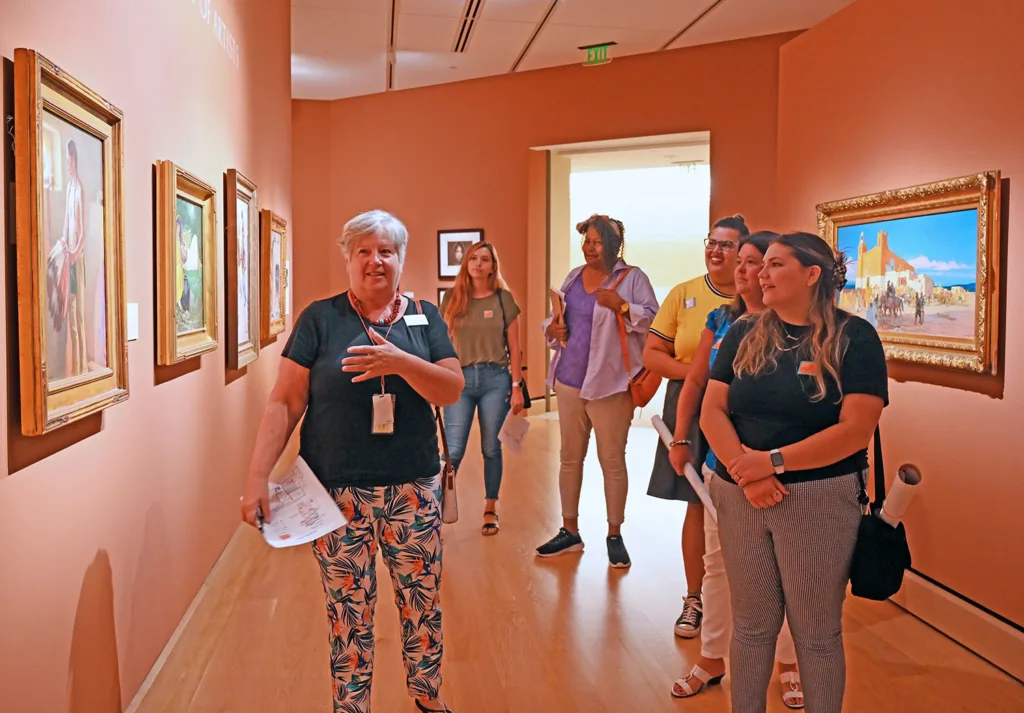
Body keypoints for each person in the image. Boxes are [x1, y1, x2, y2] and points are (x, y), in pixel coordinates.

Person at [241, 210, 465, 713]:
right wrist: (257, 476)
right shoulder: (320, 319)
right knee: (348, 614)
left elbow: (451, 389)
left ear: (402, 259)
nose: (375, 261)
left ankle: (427, 700)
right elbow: (284, 401)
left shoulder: (424, 317)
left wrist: (400, 362)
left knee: (421, 605)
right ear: (348, 259)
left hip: (412, 491)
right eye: (363, 251)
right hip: (336, 497)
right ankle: (351, 707)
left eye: (386, 250)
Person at [700, 232, 888, 713]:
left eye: (775, 264)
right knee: (753, 628)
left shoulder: (855, 338)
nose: (761, 273)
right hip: (741, 494)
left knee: (816, 633)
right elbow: (713, 412)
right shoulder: (744, 332)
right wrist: (749, 474)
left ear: (812, 275)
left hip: (818, 499)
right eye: (762, 264)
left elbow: (855, 430)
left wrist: (772, 463)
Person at [668, 231, 803, 709]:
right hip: (722, 465)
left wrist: (765, 463)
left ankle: (788, 665)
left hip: (780, 468)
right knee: (719, 564)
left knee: (787, 570)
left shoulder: (790, 324)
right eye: (742, 262)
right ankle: (712, 657)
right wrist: (682, 438)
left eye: (755, 262)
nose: (745, 270)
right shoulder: (720, 319)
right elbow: (698, 384)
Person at [643, 214, 748, 638]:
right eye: (712, 242)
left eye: (727, 245)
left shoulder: (757, 306)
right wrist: (695, 375)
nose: (716, 251)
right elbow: (652, 355)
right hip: (689, 404)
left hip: (740, 410)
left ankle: (745, 599)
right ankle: (694, 598)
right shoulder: (685, 294)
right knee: (696, 502)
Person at [536, 214, 659, 568]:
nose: (589, 248)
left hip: (611, 385)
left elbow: (652, 320)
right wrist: (554, 329)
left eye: (596, 242)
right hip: (570, 379)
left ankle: (614, 533)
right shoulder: (574, 277)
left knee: (612, 461)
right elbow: (558, 318)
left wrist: (620, 306)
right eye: (586, 242)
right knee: (569, 458)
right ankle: (569, 531)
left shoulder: (632, 278)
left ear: (613, 244)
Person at [440, 241, 525, 535]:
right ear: (466, 264)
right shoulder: (452, 298)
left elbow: (515, 348)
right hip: (459, 380)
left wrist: (516, 386)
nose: (478, 263)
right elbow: (440, 344)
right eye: (473, 258)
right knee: (453, 450)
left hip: (495, 379)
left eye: (484, 259)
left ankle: (490, 507)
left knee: (491, 447)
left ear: (493, 266)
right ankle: (438, 509)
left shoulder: (504, 300)